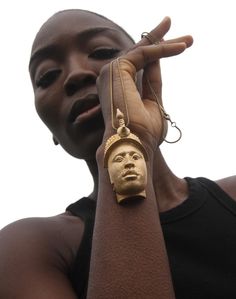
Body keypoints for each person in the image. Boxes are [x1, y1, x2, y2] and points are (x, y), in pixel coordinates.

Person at [0, 8, 236, 299]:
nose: (75, 74)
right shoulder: (29, 248)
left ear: (146, 74)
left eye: (103, 52)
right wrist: (128, 136)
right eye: (47, 76)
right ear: (52, 131)